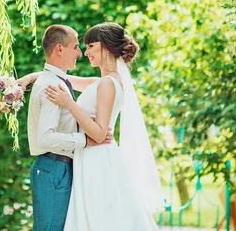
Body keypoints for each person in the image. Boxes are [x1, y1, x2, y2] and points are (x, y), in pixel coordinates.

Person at [22, 22, 164, 230]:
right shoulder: (102, 81)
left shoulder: (107, 84)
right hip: (87, 157)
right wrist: (31, 77)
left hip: (96, 157)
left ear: (105, 47)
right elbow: (65, 78)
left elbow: (99, 133)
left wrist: (68, 103)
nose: (84, 52)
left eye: (90, 46)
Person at [22, 25, 113, 231]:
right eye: (75, 47)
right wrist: (85, 140)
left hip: (59, 166)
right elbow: (46, 138)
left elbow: (97, 84)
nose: (80, 53)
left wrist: (29, 76)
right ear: (59, 49)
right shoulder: (51, 87)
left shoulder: (56, 80)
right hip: (54, 167)